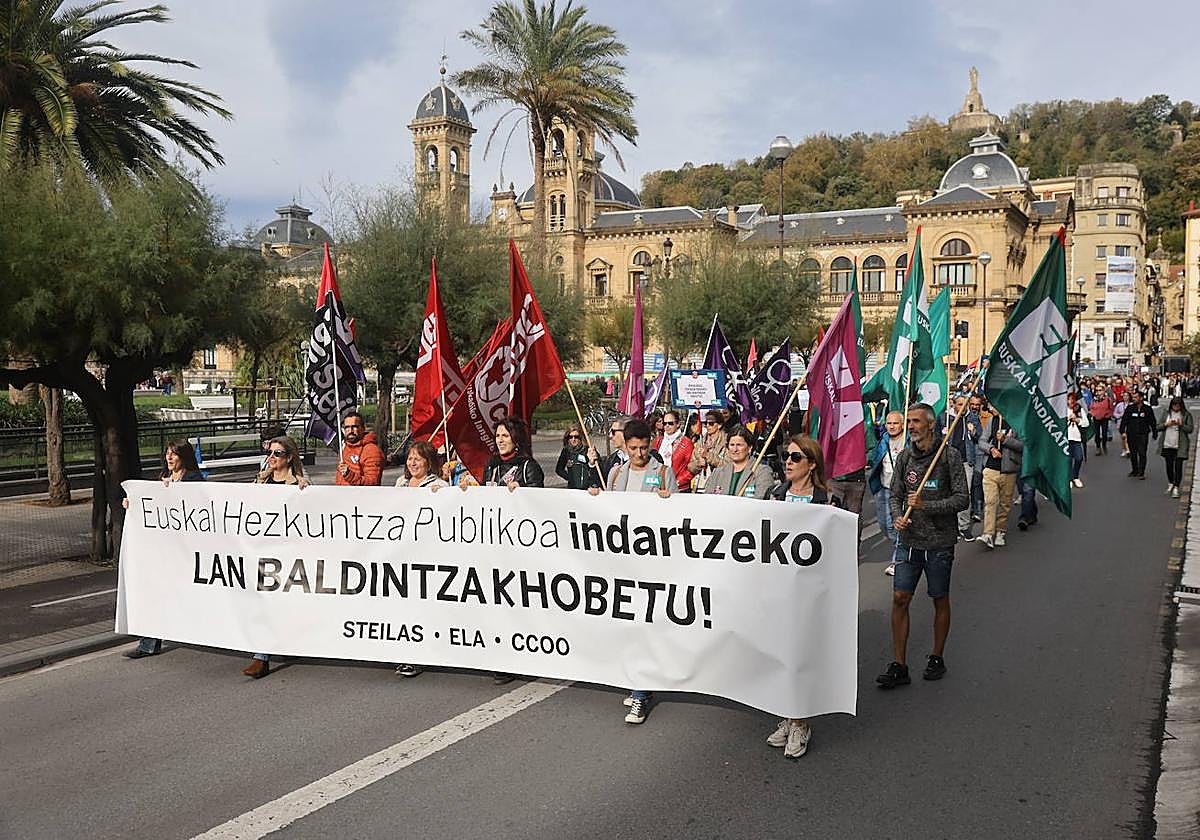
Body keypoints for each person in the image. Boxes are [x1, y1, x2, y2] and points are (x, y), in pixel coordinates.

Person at [587, 419, 675, 724]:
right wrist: (596, 497)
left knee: (643, 627)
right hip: (622, 563)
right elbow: (607, 513)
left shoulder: (662, 472)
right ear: (625, 445)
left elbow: (679, 517)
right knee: (628, 628)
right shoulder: (615, 473)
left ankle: (639, 693)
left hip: (650, 564)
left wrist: (669, 501)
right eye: (633, 448)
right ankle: (641, 684)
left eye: (644, 448)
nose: (639, 453)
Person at [877, 403, 969, 689]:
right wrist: (897, 516)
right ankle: (899, 664)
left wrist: (926, 506)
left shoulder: (949, 456)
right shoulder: (905, 457)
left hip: (939, 543)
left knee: (939, 598)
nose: (911, 427)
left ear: (931, 424)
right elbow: (895, 495)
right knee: (900, 598)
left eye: (916, 421)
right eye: (909, 422)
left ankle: (936, 656)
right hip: (909, 542)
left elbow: (962, 499)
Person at [764, 434, 839, 758]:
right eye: (786, 456)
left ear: (811, 464)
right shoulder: (775, 495)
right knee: (781, 657)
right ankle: (789, 715)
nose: (788, 462)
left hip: (809, 593)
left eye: (795, 457)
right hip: (778, 590)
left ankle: (801, 723)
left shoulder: (827, 501)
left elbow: (838, 548)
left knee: (801, 657)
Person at [123, 440, 205, 660]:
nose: (169, 458)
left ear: (184, 457)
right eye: (167, 453)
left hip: (187, 553)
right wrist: (133, 504)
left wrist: (174, 491)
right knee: (154, 594)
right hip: (165, 552)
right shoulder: (162, 479)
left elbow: (197, 507)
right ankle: (149, 643)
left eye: (174, 454)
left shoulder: (194, 480)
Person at [477, 416, 543, 685]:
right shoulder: (492, 465)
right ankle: (500, 655)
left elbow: (541, 502)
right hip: (494, 545)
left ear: (516, 438)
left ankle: (520, 654)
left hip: (519, 547)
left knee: (516, 602)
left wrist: (523, 490)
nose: (500, 440)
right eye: (498, 436)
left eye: (505, 435)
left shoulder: (529, 466)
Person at [243, 436, 308, 678]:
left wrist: (306, 492)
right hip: (263, 551)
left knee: (277, 604)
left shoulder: (299, 485)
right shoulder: (261, 480)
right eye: (270, 453)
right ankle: (266, 654)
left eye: (277, 453)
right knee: (265, 603)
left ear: (289, 457)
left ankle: (264, 656)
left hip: (288, 554)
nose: (272, 458)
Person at [394, 441, 448, 678]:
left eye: (418, 458)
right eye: (410, 458)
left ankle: (418, 655)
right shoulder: (400, 483)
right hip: (401, 555)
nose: (412, 463)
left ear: (428, 462)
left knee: (421, 608)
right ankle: (404, 652)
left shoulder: (439, 486)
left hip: (426, 556)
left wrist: (442, 497)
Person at [976, 412, 1023, 549]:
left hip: (1008, 469)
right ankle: (988, 533)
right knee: (990, 501)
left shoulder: (1017, 421)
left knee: (1004, 503)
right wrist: (991, 449)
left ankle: (1000, 531)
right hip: (990, 468)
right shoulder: (992, 421)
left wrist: (1005, 440)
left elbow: (1023, 446)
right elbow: (981, 441)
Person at [868, 411, 906, 576]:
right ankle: (902, 547)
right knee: (885, 524)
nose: (891, 426)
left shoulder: (908, 441)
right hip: (883, 488)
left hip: (901, 491)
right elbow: (875, 459)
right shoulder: (883, 440)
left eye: (895, 423)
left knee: (897, 524)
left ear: (902, 425)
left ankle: (898, 560)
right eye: (889, 423)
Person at [703, 425, 773, 499]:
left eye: (739, 445)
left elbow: (761, 500)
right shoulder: (717, 473)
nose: (735, 449)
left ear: (749, 448)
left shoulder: (762, 472)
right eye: (732, 445)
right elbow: (707, 500)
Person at [335, 411, 384, 486]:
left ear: (363, 428)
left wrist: (349, 475)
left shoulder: (371, 450)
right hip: (342, 493)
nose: (350, 431)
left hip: (360, 493)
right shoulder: (344, 447)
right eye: (347, 427)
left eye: (354, 427)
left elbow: (372, 482)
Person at [1157, 396, 1193, 498]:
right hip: (1167, 444)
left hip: (1180, 445)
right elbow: (1158, 427)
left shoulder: (1186, 415)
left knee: (1178, 466)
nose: (1176, 408)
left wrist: (1181, 425)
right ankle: (1171, 482)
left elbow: (1190, 429)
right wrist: (1166, 424)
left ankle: (1176, 486)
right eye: (1174, 405)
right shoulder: (1166, 413)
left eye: (1178, 406)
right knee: (1169, 466)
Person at [653, 409, 695, 493]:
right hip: (660, 486)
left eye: (670, 423)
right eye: (665, 423)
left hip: (679, 489)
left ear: (678, 424)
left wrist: (678, 481)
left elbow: (692, 468)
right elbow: (653, 462)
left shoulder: (686, 443)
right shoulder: (658, 441)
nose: (667, 426)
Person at [1119, 390, 1156, 479]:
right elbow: (1124, 420)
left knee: (1142, 453)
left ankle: (1141, 472)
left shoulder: (1147, 409)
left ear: (1141, 398)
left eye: (1136, 397)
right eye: (1133, 397)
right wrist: (1122, 431)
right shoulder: (1130, 408)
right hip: (1131, 434)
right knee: (1133, 453)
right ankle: (1134, 470)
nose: (1134, 399)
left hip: (1143, 434)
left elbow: (1152, 421)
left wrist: (1155, 432)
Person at [688, 410, 728, 492]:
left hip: (719, 485)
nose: (707, 426)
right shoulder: (701, 441)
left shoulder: (726, 442)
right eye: (705, 423)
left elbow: (727, 465)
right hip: (700, 486)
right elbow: (690, 466)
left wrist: (708, 456)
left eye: (711, 423)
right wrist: (698, 464)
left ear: (719, 425)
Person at [555, 424, 601, 490]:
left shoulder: (588, 450)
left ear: (581, 437)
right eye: (570, 437)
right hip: (572, 488)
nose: (573, 439)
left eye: (576, 437)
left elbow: (598, 467)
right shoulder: (566, 451)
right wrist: (570, 478)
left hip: (587, 488)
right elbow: (559, 469)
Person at [1066, 392, 1090, 489]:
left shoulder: (1079, 409)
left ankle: (1075, 476)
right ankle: (1069, 478)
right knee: (1068, 460)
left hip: (1076, 438)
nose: (1071, 401)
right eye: (1070, 399)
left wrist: (1077, 420)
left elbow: (1086, 423)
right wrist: (1068, 419)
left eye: (1073, 399)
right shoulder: (1063, 410)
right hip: (1066, 439)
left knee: (1079, 458)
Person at [1089, 385, 1114, 455]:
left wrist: (1108, 415)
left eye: (1100, 390)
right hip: (1096, 418)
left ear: (1103, 391)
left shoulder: (1108, 399)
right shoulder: (1094, 400)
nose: (1098, 392)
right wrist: (1093, 414)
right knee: (1097, 434)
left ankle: (1104, 445)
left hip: (1104, 418)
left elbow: (1111, 409)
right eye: (1097, 390)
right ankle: (1098, 447)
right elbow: (1091, 408)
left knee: (1104, 433)